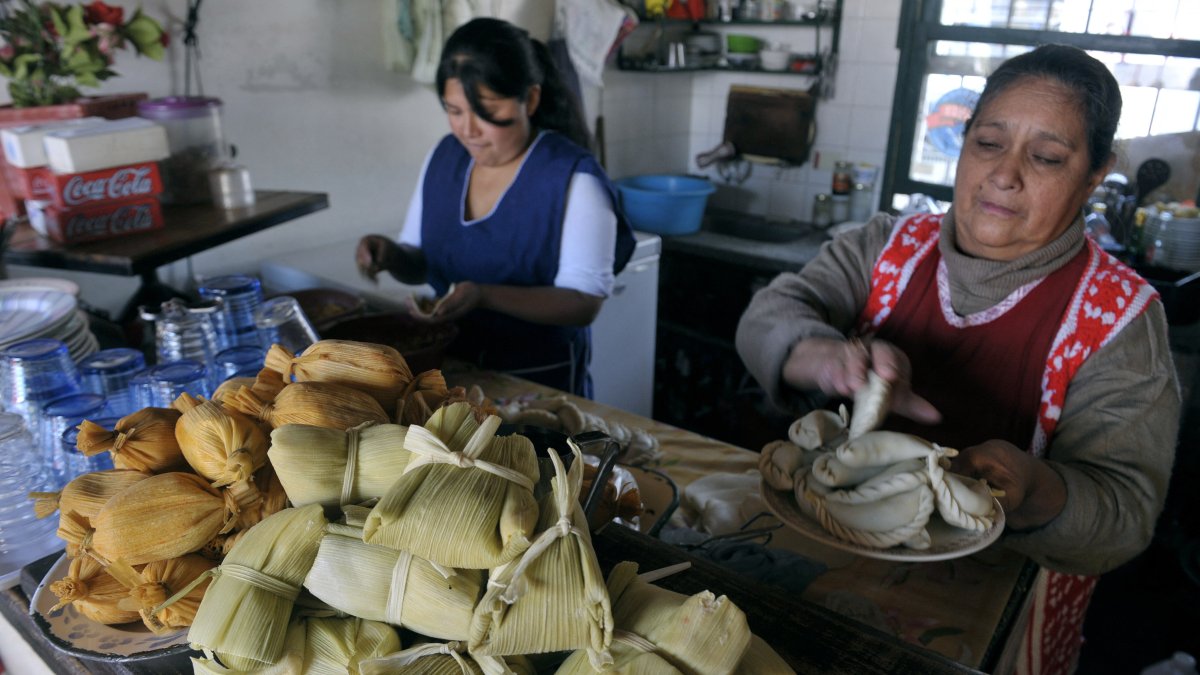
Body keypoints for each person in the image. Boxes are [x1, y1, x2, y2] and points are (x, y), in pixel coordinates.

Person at [736, 44, 1180, 675]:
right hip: (829, 565)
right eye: (989, 143)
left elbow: (1125, 512)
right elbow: (770, 313)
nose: (1004, 175)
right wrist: (829, 359)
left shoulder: (1120, 319)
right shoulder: (890, 245)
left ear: (1094, 175)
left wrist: (1033, 490)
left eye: (1048, 157)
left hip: (994, 612)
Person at [356, 17, 635, 398]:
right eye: (454, 111)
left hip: (538, 386)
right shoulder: (445, 158)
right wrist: (389, 255)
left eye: (486, 110)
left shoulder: (572, 178)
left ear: (530, 100)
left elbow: (583, 302)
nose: (468, 129)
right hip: (451, 377)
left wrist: (484, 295)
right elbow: (421, 260)